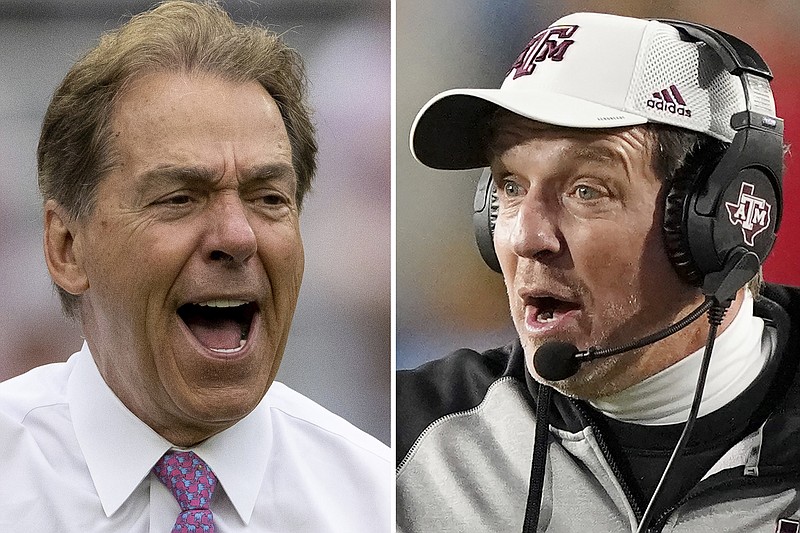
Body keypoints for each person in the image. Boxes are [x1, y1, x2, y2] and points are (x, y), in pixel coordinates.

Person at [397, 11, 799, 533]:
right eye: (510, 186)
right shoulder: (404, 442)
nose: (525, 237)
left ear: (719, 224)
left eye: (586, 190)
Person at [0, 1, 391, 531]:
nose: (237, 235)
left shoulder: (379, 503)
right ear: (66, 247)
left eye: (268, 198)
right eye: (179, 198)